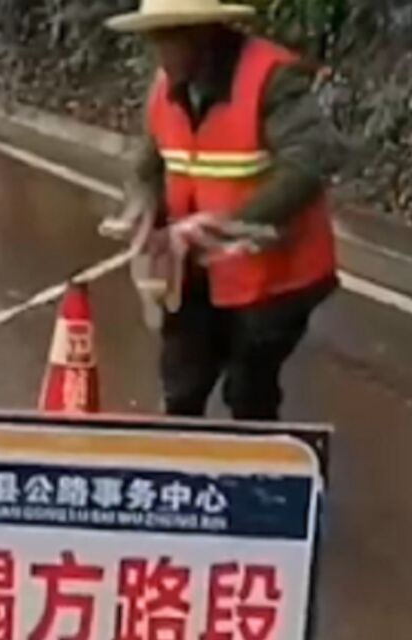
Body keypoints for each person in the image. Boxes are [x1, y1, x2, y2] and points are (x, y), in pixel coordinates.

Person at [104, 0, 346, 421]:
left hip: (276, 274)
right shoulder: (166, 85)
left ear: (206, 35)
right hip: (197, 265)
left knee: (249, 386)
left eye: (171, 37)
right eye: (154, 38)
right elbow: (148, 161)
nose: (160, 52)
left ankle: (263, 476)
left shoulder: (271, 78)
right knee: (181, 383)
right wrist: (142, 206)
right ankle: (178, 475)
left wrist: (235, 222)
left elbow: (314, 157)